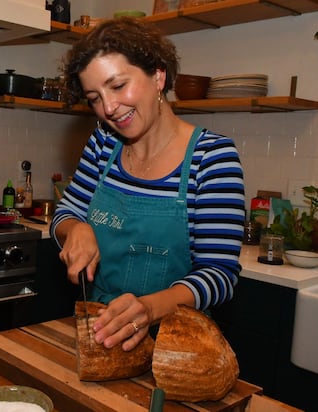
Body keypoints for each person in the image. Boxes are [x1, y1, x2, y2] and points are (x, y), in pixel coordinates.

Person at [50, 17, 245, 352]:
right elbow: (65, 214)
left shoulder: (212, 157)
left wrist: (150, 309)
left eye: (118, 85)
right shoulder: (103, 144)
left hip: (178, 347)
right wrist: (75, 228)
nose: (108, 108)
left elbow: (219, 275)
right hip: (101, 334)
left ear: (158, 75)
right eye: (95, 97)